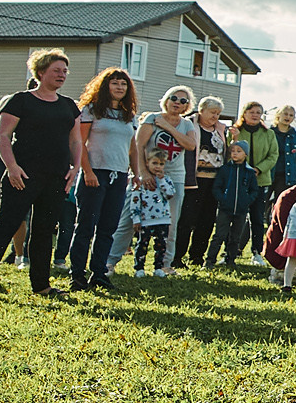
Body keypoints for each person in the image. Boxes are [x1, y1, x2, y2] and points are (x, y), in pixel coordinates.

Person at [0, 49, 80, 299]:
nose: (62, 75)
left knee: (43, 231)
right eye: (56, 70)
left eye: (65, 71)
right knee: (5, 226)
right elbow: (3, 135)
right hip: (22, 175)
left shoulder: (69, 106)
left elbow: (76, 142)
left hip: (56, 177)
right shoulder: (21, 100)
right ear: (41, 72)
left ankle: (41, 286)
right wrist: (11, 167)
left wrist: (75, 169)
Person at [106, 86, 200, 278]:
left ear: (187, 106)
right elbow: (138, 146)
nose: (177, 102)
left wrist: (167, 127)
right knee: (129, 218)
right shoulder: (152, 119)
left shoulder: (187, 125)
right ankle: (109, 261)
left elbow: (190, 145)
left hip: (174, 177)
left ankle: (165, 264)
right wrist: (142, 174)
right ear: (166, 99)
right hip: (147, 174)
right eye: (174, 98)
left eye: (183, 101)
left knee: (171, 222)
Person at [71, 67, 139, 292]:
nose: (119, 87)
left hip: (118, 176)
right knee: (85, 227)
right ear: (104, 85)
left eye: (123, 84)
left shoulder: (128, 114)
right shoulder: (91, 111)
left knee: (108, 228)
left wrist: (135, 173)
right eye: (115, 83)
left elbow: (132, 148)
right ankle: (77, 275)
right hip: (95, 173)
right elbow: (80, 143)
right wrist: (88, 172)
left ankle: (98, 273)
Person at [215, 100, 278, 267]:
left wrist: (258, 169)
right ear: (244, 114)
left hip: (260, 180)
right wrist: (234, 138)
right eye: (252, 112)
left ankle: (257, 253)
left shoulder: (268, 134)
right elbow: (229, 153)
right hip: (237, 181)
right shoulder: (236, 131)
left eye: (258, 112)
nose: (255, 115)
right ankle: (228, 254)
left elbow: (273, 155)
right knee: (234, 218)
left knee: (257, 218)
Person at [176, 98, 230, 269]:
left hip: (213, 181)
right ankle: (177, 257)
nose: (215, 116)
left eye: (218, 113)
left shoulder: (221, 129)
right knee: (187, 219)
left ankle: (197, 256)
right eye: (212, 112)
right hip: (193, 180)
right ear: (201, 110)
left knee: (206, 221)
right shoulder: (190, 125)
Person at [125, 146, 180, 275]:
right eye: (154, 163)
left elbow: (170, 194)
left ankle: (158, 268)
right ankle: (139, 268)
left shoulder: (166, 179)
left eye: (161, 164)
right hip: (145, 219)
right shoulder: (141, 182)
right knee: (142, 245)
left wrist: (161, 181)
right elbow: (135, 201)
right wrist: (136, 219)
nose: (158, 167)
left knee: (161, 245)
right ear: (147, 163)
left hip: (163, 219)